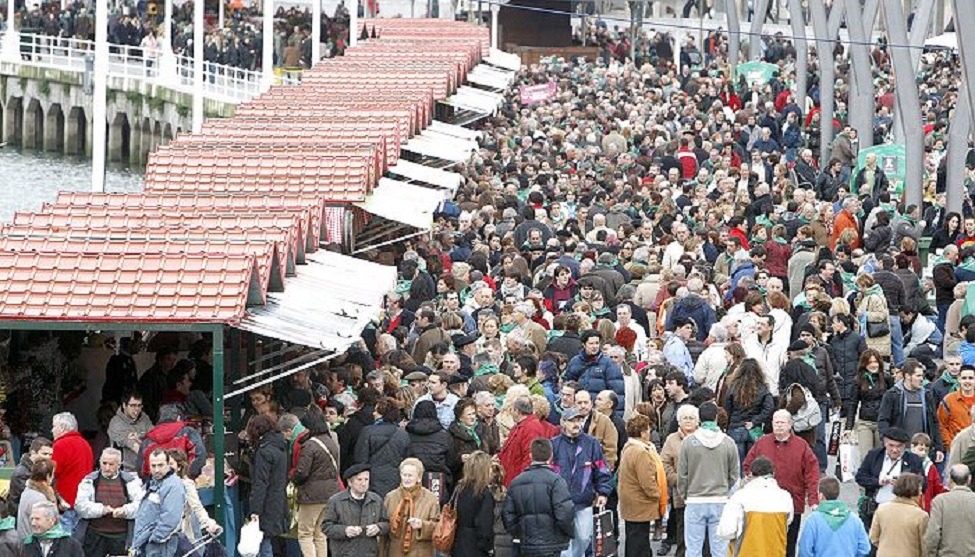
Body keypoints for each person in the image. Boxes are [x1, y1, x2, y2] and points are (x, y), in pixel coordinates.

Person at [742, 410, 820, 557]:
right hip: (765, 505)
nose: (778, 425)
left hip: (793, 504)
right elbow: (748, 465)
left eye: (782, 422)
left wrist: (813, 500)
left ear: (790, 424)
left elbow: (812, 473)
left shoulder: (801, 445)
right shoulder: (762, 443)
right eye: (776, 422)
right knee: (766, 544)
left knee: (789, 545)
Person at [678, 402, 740, 557]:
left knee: (693, 549)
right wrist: (724, 487)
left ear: (699, 418)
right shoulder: (728, 442)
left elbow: (682, 474)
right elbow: (734, 473)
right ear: (716, 417)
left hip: (694, 499)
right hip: (720, 500)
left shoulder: (688, 442)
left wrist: (685, 494)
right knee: (720, 550)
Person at [551, 407, 612, 557]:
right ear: (563, 422)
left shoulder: (591, 443)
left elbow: (602, 469)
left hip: (584, 501)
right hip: (560, 503)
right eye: (572, 420)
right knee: (565, 546)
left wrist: (603, 492)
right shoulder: (554, 444)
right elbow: (548, 473)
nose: (576, 424)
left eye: (579, 420)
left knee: (584, 538)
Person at [502, 437, 575, 557]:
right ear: (551, 456)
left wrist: (519, 533)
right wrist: (567, 534)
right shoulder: (557, 481)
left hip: (526, 543)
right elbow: (565, 513)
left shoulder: (516, 482)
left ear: (531, 456)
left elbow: (508, 515)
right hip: (552, 544)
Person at [284, 412, 341, 557]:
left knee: (305, 534)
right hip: (330, 494)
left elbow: (302, 472)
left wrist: (291, 477)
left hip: (312, 496)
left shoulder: (309, 445)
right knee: (320, 534)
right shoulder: (330, 441)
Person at [73, 448, 144, 556]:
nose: (107, 467)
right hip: (95, 535)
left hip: (121, 536)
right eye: (104, 463)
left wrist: (125, 511)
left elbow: (141, 505)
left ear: (119, 465)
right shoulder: (89, 480)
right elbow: (80, 505)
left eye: (111, 464)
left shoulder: (130, 481)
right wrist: (101, 510)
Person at [717, 456, 794, 556]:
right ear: (773, 474)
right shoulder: (785, 497)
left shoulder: (740, 497)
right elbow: (787, 524)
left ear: (751, 474)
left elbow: (726, 531)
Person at [855, 427, 925, 530]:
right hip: (876, 508)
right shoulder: (874, 455)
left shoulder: (913, 460)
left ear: (904, 446)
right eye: (891, 445)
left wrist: (903, 484)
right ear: (885, 443)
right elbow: (860, 477)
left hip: (902, 510)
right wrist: (878, 482)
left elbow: (923, 484)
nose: (895, 450)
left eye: (899, 446)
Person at [618, 413, 667, 557]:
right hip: (640, 505)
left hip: (631, 504)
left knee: (634, 540)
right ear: (643, 433)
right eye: (648, 430)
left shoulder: (629, 448)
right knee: (640, 544)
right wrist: (658, 494)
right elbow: (647, 481)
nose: (650, 432)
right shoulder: (641, 452)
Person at [877, 359, 945, 462]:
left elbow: (934, 422)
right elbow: (883, 420)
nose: (921, 379)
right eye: (918, 376)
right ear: (907, 376)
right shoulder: (892, 394)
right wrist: (887, 442)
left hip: (922, 450)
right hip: (899, 449)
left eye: (922, 376)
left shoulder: (927, 395)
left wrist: (939, 448)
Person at [322, 464, 390, 557]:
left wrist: (378, 528)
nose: (363, 483)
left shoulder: (376, 500)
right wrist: (345, 531)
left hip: (369, 553)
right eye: (359, 480)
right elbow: (326, 527)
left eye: (366, 479)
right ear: (350, 482)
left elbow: (387, 523)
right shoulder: (336, 501)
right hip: (344, 554)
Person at [246, 413, 289, 557]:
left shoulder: (264, 452)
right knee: (266, 542)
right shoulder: (281, 446)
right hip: (278, 501)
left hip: (266, 504)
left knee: (263, 544)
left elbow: (260, 483)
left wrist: (255, 511)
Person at [659, 403, 699, 557]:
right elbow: (664, 463)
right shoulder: (672, 439)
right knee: (682, 533)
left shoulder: (703, 438)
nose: (688, 421)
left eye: (691, 418)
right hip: (681, 495)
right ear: (679, 421)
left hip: (701, 493)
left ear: (697, 421)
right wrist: (677, 479)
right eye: (684, 418)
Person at [131, 449, 186, 557]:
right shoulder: (152, 483)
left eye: (160, 465)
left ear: (168, 464)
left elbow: (171, 518)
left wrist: (154, 539)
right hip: (145, 543)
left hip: (160, 547)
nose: (156, 470)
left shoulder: (174, 485)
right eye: (153, 466)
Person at [797, 476, 871, 557]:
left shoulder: (813, 520)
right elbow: (865, 548)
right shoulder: (854, 520)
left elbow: (804, 551)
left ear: (821, 496)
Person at [382, 457, 441, 557]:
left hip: (421, 552)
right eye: (404, 475)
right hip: (395, 552)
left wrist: (422, 525)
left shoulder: (431, 499)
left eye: (410, 475)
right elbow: (384, 526)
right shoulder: (390, 497)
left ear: (419, 477)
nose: (406, 479)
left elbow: (438, 527)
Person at [354, 397, 411, 498]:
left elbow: (360, 459)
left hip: (372, 481)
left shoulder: (367, 432)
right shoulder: (403, 434)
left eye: (376, 411)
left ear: (382, 414)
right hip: (396, 480)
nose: (373, 413)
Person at [564, 329, 626, 418]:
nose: (594, 346)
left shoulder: (608, 363)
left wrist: (616, 416)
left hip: (600, 414)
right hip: (578, 411)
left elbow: (617, 393)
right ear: (584, 344)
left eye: (597, 343)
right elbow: (568, 386)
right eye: (591, 343)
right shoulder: (575, 362)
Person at [724, 358, 775, 465]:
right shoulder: (763, 388)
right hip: (754, 429)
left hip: (735, 427)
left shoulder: (733, 387)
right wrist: (755, 421)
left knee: (737, 463)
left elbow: (727, 409)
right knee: (753, 463)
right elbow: (769, 407)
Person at [166, 449, 221, 547]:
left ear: (179, 467)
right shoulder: (156, 485)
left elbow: (197, 507)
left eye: (171, 464)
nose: (167, 467)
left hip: (180, 535)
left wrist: (208, 524)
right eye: (164, 464)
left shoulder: (186, 485)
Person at [137, 404, 207, 479]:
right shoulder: (187, 432)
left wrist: (152, 482)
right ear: (178, 418)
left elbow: (141, 468)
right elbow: (200, 454)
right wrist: (189, 475)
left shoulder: (148, 439)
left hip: (155, 483)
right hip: (183, 480)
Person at [50, 412, 92, 534]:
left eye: (54, 426)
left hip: (65, 502)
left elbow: (52, 474)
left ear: (62, 428)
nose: (52, 430)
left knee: (64, 539)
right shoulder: (85, 444)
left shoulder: (60, 445)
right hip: (83, 500)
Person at [869, 473, 928, 557]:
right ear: (914, 491)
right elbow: (925, 545)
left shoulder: (881, 509)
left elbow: (874, 537)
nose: (921, 493)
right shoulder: (921, 516)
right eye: (920, 490)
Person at [498, 395, 551, 486]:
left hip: (519, 483)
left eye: (512, 409)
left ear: (517, 411)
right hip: (512, 480)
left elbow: (529, 458)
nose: (511, 413)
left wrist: (521, 482)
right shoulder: (519, 426)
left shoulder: (531, 428)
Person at [925, 464, 975, 556]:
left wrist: (930, 554)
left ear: (950, 480)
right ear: (969, 479)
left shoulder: (940, 501)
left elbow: (933, 534)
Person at [452, 451, 496, 557]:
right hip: (476, 547)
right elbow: (484, 525)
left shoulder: (459, 489)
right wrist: (488, 547)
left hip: (458, 543)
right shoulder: (484, 493)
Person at [107, 391, 153, 472]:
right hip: (127, 471)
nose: (137, 409)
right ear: (124, 405)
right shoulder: (116, 423)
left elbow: (154, 436)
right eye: (133, 405)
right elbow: (134, 446)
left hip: (148, 467)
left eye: (139, 405)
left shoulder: (144, 418)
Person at [7, 438, 52, 519]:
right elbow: (26, 499)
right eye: (44, 454)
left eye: (50, 455)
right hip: (24, 516)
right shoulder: (22, 473)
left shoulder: (42, 468)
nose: (48, 457)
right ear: (33, 453)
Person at [937, 365, 975, 450]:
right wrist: (950, 445)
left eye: (970, 378)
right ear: (959, 379)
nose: (967, 381)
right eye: (964, 378)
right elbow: (941, 424)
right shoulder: (949, 400)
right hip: (956, 449)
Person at [17, 460, 57, 540]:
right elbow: (43, 525)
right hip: (34, 542)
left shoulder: (28, 490)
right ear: (47, 476)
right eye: (53, 474)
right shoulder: (39, 498)